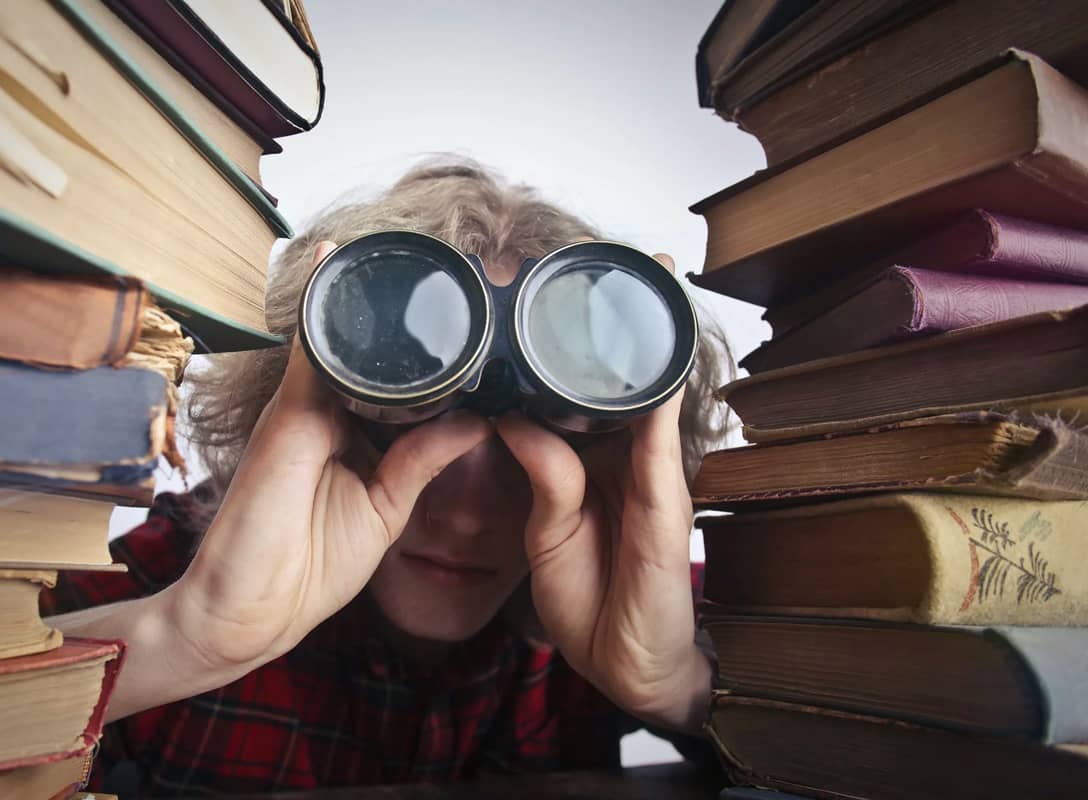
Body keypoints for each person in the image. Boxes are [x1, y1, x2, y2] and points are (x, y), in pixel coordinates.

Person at [42, 158, 734, 796]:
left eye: (525, 462)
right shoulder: (156, 580)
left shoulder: (630, 592)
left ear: (608, 465)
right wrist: (182, 637)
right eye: (411, 429)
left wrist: (676, 684)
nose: (464, 517)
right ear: (306, 417)